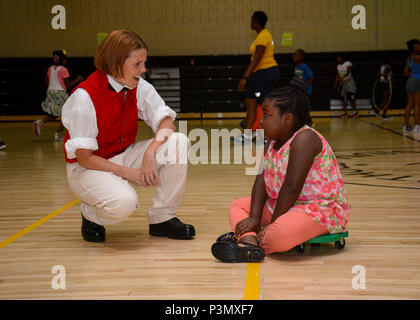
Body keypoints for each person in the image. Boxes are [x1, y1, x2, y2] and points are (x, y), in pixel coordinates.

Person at [62, 29, 195, 242]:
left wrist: (151, 152)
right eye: (137, 64)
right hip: (87, 168)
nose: (143, 69)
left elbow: (166, 121)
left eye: (144, 63)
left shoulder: (139, 86)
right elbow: (84, 157)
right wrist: (128, 173)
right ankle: (90, 213)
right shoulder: (84, 97)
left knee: (179, 141)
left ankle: (162, 218)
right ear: (116, 63)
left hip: (121, 155)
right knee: (125, 202)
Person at [212, 79, 351, 263]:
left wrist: (273, 224)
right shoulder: (272, 140)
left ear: (287, 119)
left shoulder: (305, 139)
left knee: (279, 234)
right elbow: (261, 179)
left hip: (318, 209)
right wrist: (254, 217)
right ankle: (250, 243)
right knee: (237, 206)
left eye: (267, 115)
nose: (260, 121)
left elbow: (292, 187)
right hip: (284, 205)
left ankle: (248, 239)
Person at [233, 11, 280, 144]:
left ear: (256, 21)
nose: (250, 23)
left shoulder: (264, 35)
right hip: (259, 74)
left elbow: (257, 59)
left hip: (267, 72)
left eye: (251, 20)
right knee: (250, 102)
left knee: (266, 106)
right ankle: (246, 136)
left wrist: (244, 77)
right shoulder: (260, 36)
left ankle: (268, 136)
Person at [34, 50, 83, 141]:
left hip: (51, 91)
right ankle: (58, 134)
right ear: (63, 60)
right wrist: (77, 80)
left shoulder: (50, 68)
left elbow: (46, 82)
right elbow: (67, 85)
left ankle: (40, 122)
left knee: (55, 113)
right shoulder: (64, 70)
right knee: (67, 113)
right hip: (60, 93)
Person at [292, 49, 314, 125]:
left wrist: (306, 86)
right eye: (293, 55)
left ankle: (309, 122)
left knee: (304, 106)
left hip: (305, 91)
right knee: (300, 106)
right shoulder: (296, 67)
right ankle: (305, 121)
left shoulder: (304, 67)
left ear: (301, 57)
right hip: (299, 90)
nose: (293, 57)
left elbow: (311, 77)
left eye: (296, 55)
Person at [403, 39, 420, 133]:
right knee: (417, 104)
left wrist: (414, 73)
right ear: (415, 47)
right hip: (417, 81)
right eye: (418, 45)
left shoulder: (409, 58)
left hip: (409, 82)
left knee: (409, 104)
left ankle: (405, 126)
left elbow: (405, 73)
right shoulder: (418, 57)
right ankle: (417, 126)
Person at [374, 56, 393, 120]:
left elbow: (378, 75)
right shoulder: (388, 67)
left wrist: (380, 80)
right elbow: (385, 74)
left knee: (384, 99)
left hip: (382, 83)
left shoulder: (382, 66)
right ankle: (384, 114)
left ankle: (377, 111)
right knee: (386, 100)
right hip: (386, 84)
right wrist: (388, 80)